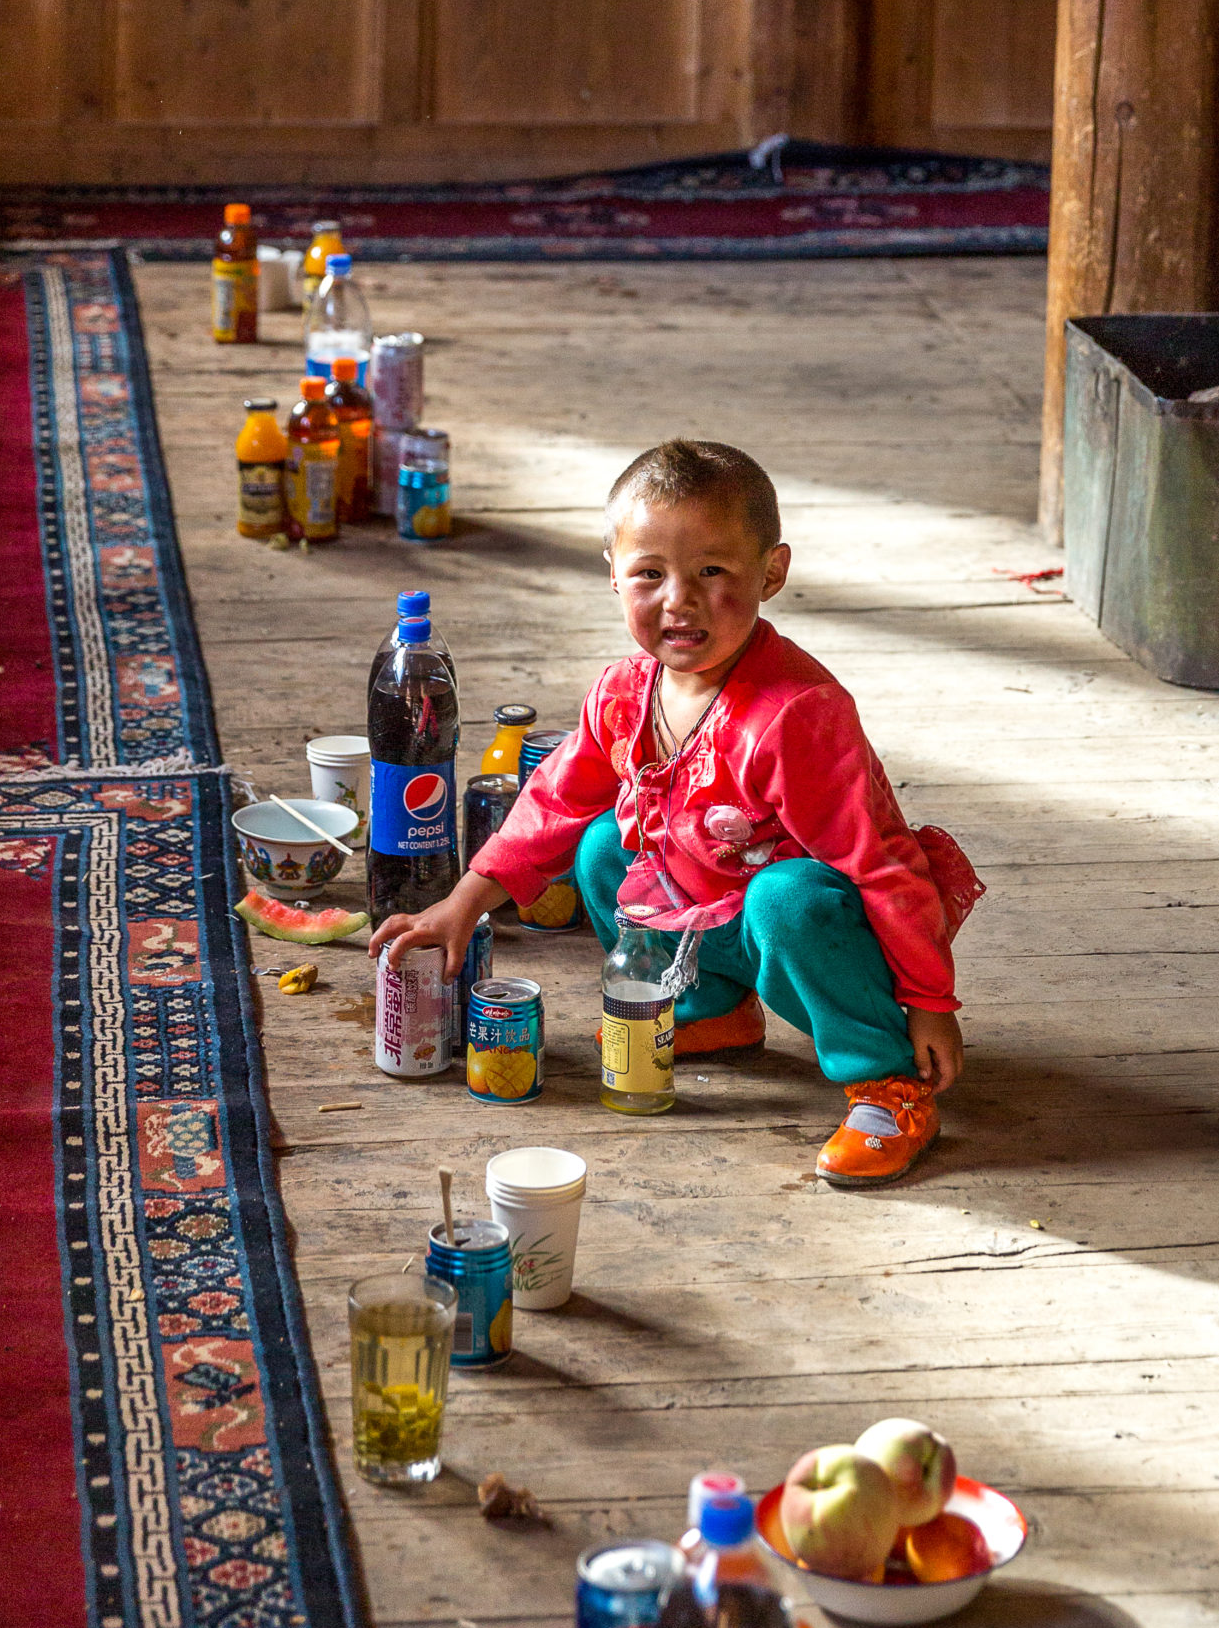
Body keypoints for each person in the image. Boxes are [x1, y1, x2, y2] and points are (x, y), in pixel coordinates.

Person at [368, 438, 982, 1186]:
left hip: (817, 937)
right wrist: (463, 904)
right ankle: (709, 1010)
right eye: (650, 574)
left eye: (712, 572)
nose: (678, 599)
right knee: (599, 847)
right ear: (614, 574)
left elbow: (881, 864)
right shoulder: (624, 693)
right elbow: (553, 803)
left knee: (786, 896)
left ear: (772, 573)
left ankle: (887, 1082)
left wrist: (928, 1003)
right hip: (708, 909)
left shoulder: (796, 715)